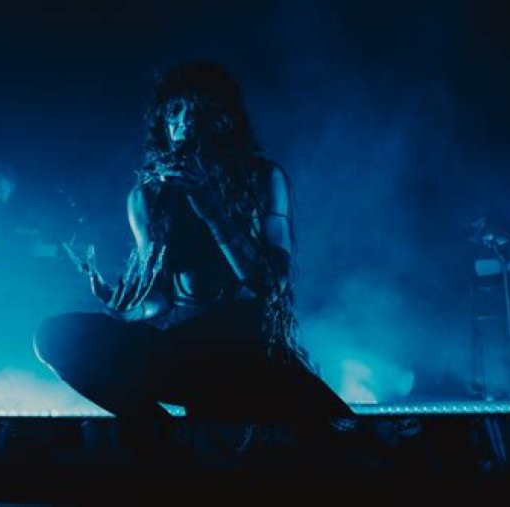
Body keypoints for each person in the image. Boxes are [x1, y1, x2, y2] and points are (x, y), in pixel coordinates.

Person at [34, 61, 351, 422]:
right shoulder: (147, 196)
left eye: (196, 111)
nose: (183, 123)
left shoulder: (263, 179)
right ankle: (164, 435)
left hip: (248, 355)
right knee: (54, 336)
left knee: (350, 433)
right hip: (181, 350)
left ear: (222, 119)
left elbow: (270, 285)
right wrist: (126, 308)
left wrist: (213, 210)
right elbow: (160, 297)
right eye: (174, 112)